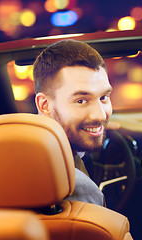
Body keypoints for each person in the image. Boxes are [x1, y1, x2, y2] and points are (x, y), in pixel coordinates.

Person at [33, 39, 112, 206]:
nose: (100, 115)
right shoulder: (75, 187)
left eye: (104, 97)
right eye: (81, 101)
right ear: (44, 105)